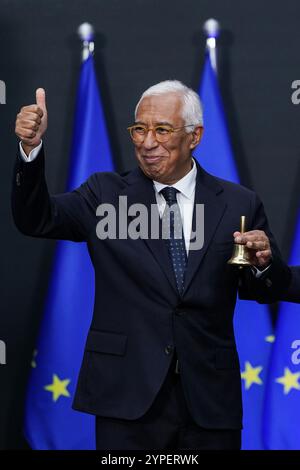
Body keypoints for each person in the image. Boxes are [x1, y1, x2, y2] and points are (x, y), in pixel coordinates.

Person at [12, 81, 291, 450]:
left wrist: (263, 265)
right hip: (127, 398)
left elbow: (262, 288)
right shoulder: (104, 194)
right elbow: (37, 219)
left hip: (208, 401)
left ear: (195, 136)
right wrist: (30, 151)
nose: (147, 142)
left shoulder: (239, 203)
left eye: (162, 130)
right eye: (139, 129)